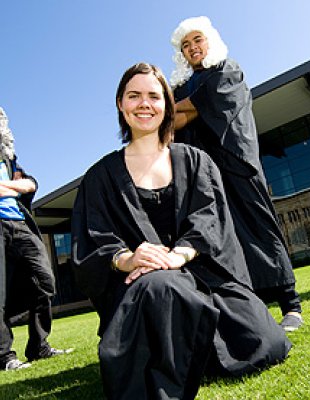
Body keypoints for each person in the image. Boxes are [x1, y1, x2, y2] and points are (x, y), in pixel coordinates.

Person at [71, 62, 291, 400]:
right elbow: (93, 236)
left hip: (205, 276)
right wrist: (129, 259)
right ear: (120, 104)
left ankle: (179, 350)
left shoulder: (196, 161)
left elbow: (210, 218)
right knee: (162, 288)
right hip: (144, 284)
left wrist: (179, 255)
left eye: (154, 96)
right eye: (134, 96)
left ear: (166, 105)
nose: (144, 104)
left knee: (267, 340)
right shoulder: (99, 177)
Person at [170, 16, 302, 331]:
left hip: (236, 164)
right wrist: (187, 109)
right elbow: (171, 121)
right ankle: (251, 312)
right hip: (203, 174)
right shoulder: (179, 86)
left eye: (197, 40)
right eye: (186, 45)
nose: (192, 48)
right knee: (225, 242)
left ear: (210, 40)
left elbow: (202, 107)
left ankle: (291, 305)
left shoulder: (228, 70)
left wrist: (186, 110)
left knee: (260, 229)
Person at [0, 107, 72, 371]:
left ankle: (39, 346)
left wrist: (11, 187)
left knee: (45, 280)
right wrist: (15, 188)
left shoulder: (9, 159)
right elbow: (23, 186)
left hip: (19, 224)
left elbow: (31, 183)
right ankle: (5, 357)